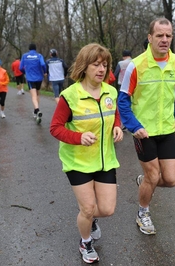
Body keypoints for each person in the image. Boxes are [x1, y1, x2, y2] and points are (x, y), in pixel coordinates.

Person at [50, 43, 123, 264]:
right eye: (96, 64)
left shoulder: (111, 91)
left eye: (105, 65)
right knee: (89, 208)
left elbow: (114, 113)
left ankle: (87, 216)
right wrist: (79, 137)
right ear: (84, 66)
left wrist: (117, 126)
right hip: (78, 161)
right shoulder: (70, 96)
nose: (101, 69)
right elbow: (55, 128)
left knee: (107, 210)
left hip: (105, 160)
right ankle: (85, 241)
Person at [117, 18, 175, 235]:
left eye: (168, 36)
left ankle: (145, 180)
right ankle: (142, 214)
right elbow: (123, 100)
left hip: (166, 130)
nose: (165, 40)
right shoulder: (135, 66)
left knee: (171, 180)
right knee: (154, 176)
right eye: (159, 35)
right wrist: (133, 126)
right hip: (143, 132)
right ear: (150, 38)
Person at [19, 43, 47, 124]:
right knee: (38, 94)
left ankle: (37, 110)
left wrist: (25, 72)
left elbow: (20, 68)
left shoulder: (25, 56)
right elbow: (42, 64)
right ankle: (36, 111)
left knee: (33, 96)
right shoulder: (39, 55)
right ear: (35, 49)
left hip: (30, 78)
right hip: (39, 78)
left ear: (29, 49)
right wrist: (44, 71)